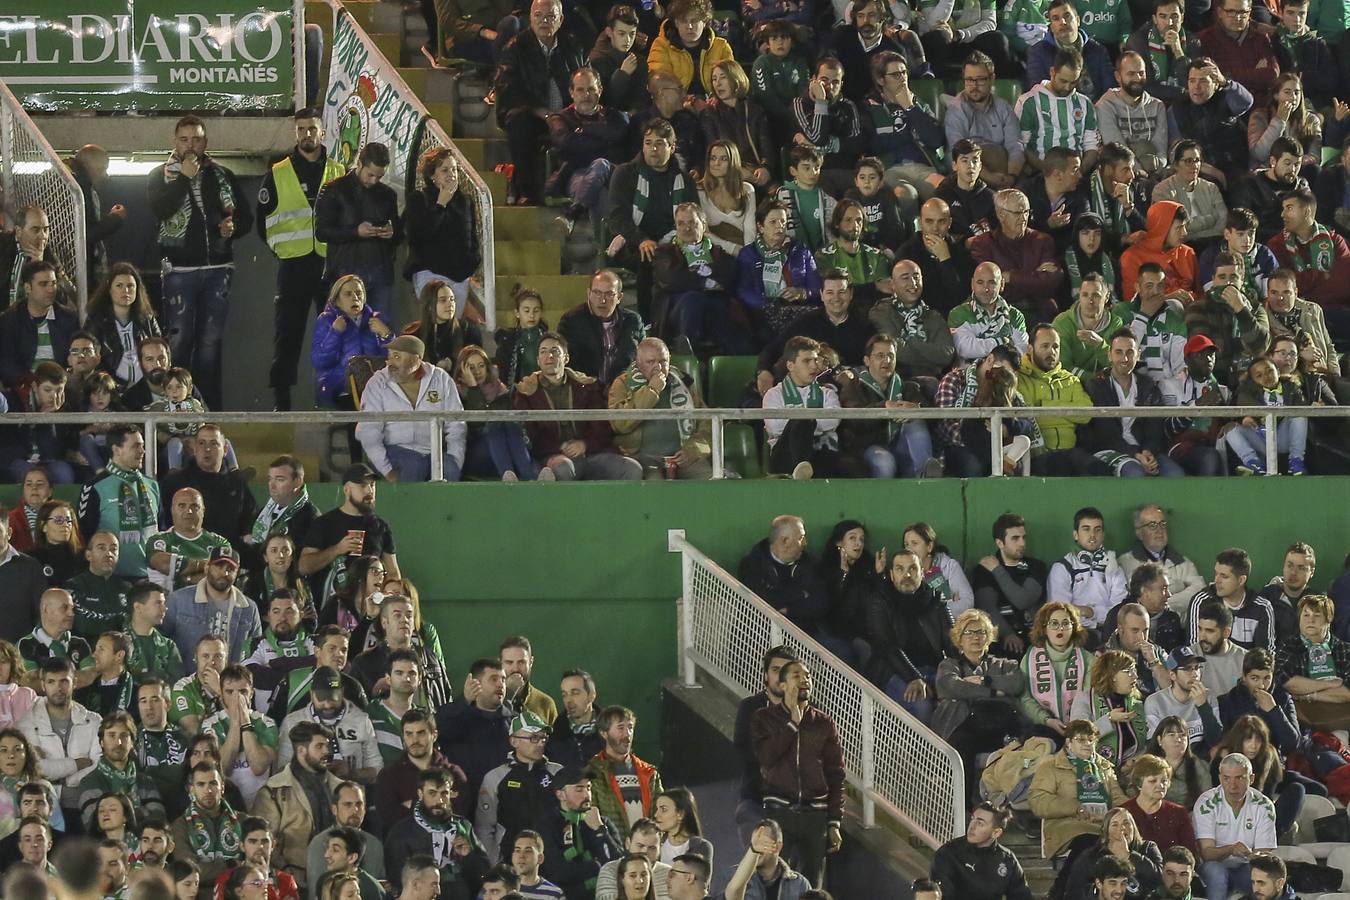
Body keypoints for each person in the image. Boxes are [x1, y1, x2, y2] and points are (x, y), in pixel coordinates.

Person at [146, 115, 250, 411]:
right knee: (179, 343)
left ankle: (210, 411)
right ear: (174, 142)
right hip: (179, 270)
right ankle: (176, 408)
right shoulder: (160, 175)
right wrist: (184, 178)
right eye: (184, 139)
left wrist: (234, 228)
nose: (191, 145)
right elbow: (161, 210)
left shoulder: (222, 174)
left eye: (197, 139)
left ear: (206, 142)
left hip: (218, 268)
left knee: (210, 345)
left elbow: (245, 217)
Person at [255, 109, 345, 412]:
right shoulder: (278, 170)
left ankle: (329, 399)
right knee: (287, 336)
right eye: (301, 129)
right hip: (293, 265)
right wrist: (283, 251)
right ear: (296, 134)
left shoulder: (338, 170)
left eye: (312, 129)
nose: (307, 134)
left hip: (329, 265)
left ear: (322, 132)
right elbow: (263, 220)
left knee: (333, 336)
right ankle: (282, 403)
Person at [750, 660, 842, 888]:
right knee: (774, 880)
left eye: (808, 676)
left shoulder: (824, 723)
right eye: (796, 675)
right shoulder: (763, 718)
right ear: (781, 685)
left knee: (813, 884)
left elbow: (835, 774)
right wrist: (792, 723)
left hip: (815, 816)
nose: (804, 680)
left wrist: (834, 822)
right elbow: (766, 757)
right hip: (779, 813)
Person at [513, 332, 642, 481]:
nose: (549, 356)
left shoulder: (587, 386)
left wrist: (584, 444)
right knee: (563, 468)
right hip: (553, 456)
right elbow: (529, 435)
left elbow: (602, 426)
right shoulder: (526, 392)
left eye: (555, 351)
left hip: (590, 454)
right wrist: (560, 447)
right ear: (538, 360)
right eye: (543, 352)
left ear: (566, 358)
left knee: (632, 469)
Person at [355, 335, 467, 484]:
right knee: (414, 465)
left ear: (416, 360)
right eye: (390, 356)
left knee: (450, 469)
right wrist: (387, 471)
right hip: (392, 451)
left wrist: (454, 459)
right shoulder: (377, 383)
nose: (390, 363)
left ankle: (444, 508)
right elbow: (368, 433)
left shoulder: (441, 379)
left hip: (433, 451)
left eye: (397, 357)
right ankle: (409, 507)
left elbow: (457, 425)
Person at [313, 143, 401, 320]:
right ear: (359, 164)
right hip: (345, 271)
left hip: (379, 271)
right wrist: (355, 232)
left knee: (380, 332)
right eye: (370, 174)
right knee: (345, 331)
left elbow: (399, 230)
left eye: (379, 176)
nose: (374, 180)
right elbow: (322, 232)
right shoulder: (334, 190)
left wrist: (392, 232)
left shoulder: (388, 195)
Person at [608, 337, 714, 480]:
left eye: (663, 361)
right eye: (651, 362)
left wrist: (694, 450)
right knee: (656, 488)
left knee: (711, 480)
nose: (658, 367)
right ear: (638, 363)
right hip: (642, 457)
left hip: (682, 455)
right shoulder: (622, 383)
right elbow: (620, 425)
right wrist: (652, 390)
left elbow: (707, 424)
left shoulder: (683, 383)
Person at [251, 721, 341, 887]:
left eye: (328, 746)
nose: (327, 752)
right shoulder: (274, 791)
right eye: (319, 746)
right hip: (294, 882)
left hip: (336, 881)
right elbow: (264, 844)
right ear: (301, 750)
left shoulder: (340, 788)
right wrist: (287, 876)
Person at [837, 335, 936, 479]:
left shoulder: (907, 386)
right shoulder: (854, 386)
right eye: (880, 356)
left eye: (891, 356)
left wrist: (916, 408)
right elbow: (854, 421)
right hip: (869, 447)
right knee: (885, 462)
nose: (887, 361)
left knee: (916, 419)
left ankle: (927, 475)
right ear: (867, 360)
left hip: (901, 447)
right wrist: (884, 408)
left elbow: (934, 419)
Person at [298, 464, 400, 602]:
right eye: (363, 486)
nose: (370, 490)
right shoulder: (324, 523)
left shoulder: (380, 527)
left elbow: (393, 574)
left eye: (372, 485)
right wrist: (337, 549)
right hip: (331, 608)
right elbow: (304, 566)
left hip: (368, 609)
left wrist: (382, 597)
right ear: (346, 490)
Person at [17, 657, 101, 823]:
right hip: (44, 805)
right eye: (51, 682)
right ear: (43, 685)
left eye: (64, 681)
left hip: (85, 799)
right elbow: (38, 768)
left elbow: (98, 765)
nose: (58, 688)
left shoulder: (93, 721)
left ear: (74, 682)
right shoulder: (27, 722)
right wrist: (76, 764)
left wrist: (68, 782)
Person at [1028, 718, 1127, 858]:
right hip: (1069, 825)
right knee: (1091, 843)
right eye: (1081, 740)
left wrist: (1126, 812)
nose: (1087, 744)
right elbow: (1038, 801)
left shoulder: (1104, 766)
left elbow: (1118, 798)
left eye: (1091, 739)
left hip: (1104, 823)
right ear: (1069, 742)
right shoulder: (1050, 766)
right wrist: (1074, 807)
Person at [403, 149, 482, 318]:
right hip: (431, 272)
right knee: (434, 322)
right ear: (432, 175)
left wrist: (472, 261)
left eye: (454, 169)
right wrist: (440, 205)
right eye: (444, 170)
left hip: (459, 274)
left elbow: (471, 237)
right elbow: (417, 237)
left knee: (452, 326)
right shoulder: (418, 199)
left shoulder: (465, 201)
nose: (451, 174)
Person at [475, 711, 561, 863]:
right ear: (514, 741)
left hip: (553, 863)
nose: (541, 743)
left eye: (543, 737)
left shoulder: (558, 773)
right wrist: (494, 863)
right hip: (510, 863)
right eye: (534, 738)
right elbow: (485, 827)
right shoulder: (495, 778)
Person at [968, 191, 1063, 325]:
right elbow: (990, 287)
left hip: (1040, 312)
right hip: (1002, 313)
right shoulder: (984, 244)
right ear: (1001, 214)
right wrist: (1034, 276)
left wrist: (1010, 277)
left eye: (1026, 212)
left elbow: (1051, 282)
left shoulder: (1042, 241)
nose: (1024, 218)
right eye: (1018, 213)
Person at [276, 667, 380, 787]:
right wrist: (313, 768)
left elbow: (377, 770)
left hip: (351, 799)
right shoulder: (292, 722)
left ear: (342, 692)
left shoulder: (361, 720)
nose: (327, 704)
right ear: (311, 694)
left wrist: (351, 773)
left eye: (333, 697)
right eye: (321, 698)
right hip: (306, 799)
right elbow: (281, 771)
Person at [1193, 753, 1277, 899]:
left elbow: (1264, 857)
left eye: (1239, 778)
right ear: (1219, 778)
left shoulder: (1264, 805)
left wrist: (1255, 855)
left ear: (1251, 779)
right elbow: (1206, 853)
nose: (1232, 785)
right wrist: (1231, 849)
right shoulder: (1206, 803)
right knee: (1216, 872)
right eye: (1226, 778)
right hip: (1212, 865)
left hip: (1246, 866)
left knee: (1263, 876)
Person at [161, 547, 260, 670]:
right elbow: (161, 642)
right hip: (187, 681)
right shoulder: (179, 599)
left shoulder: (249, 608)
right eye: (219, 566)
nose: (224, 573)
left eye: (230, 569)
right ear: (207, 567)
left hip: (230, 685)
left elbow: (257, 651)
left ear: (237, 573)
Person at [761, 337, 841, 480]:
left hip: (820, 453)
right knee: (803, 418)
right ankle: (801, 467)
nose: (814, 366)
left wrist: (801, 423)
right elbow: (774, 427)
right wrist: (807, 422)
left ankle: (803, 471)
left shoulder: (827, 393)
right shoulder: (773, 394)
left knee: (804, 420)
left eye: (815, 360)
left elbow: (833, 421)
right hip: (785, 456)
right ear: (790, 365)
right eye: (806, 361)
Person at [309, 274, 393, 411]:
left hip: (374, 386)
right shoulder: (327, 320)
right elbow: (319, 361)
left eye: (359, 293)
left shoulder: (378, 320)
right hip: (338, 387)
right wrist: (335, 333)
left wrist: (386, 335)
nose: (355, 297)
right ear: (337, 300)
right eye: (348, 294)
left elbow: (396, 359)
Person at [1168, 59, 1255, 185]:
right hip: (1197, 168)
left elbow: (1246, 102)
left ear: (1216, 84)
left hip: (1231, 167)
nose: (1196, 86)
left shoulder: (1226, 99)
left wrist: (1225, 82)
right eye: (1192, 81)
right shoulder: (1178, 108)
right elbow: (1175, 147)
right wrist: (1201, 166)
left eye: (1203, 81)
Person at [1268, 187, 1350, 319]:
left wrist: (1305, 282)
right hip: (1298, 313)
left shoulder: (1335, 241)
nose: (1282, 214)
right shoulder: (1276, 245)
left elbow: (1343, 285)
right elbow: (1284, 285)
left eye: (1289, 208)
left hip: (1338, 311)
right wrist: (1322, 274)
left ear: (1306, 212)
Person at [867, 260, 956, 380]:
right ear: (892, 284)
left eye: (916, 277)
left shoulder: (933, 316)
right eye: (905, 278)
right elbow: (896, 351)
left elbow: (946, 355)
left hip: (932, 380)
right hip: (896, 379)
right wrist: (932, 361)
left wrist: (910, 341)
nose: (913, 283)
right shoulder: (881, 312)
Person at [0, 260, 79, 392]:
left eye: (53, 283)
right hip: (24, 387)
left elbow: (73, 357)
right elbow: (6, 363)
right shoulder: (10, 320)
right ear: (27, 288)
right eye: (43, 284)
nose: (51, 289)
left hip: (61, 385)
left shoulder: (68, 318)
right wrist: (32, 384)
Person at [1275, 593, 1350, 729]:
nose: (1310, 620)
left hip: (1339, 723)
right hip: (1299, 724)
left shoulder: (1345, 650)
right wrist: (1331, 684)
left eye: (1317, 615)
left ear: (1329, 619)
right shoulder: (1288, 646)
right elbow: (1285, 681)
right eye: (1306, 615)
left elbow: (1348, 692)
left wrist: (1310, 695)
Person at [1117, 506, 1206, 619]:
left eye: (1162, 524)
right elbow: (1137, 598)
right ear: (1139, 532)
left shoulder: (1182, 562)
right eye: (1152, 525)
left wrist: (1165, 603)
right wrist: (1178, 586)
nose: (1159, 530)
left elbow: (1200, 591)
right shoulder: (1126, 562)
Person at [84, 263, 163, 389]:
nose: (125, 291)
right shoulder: (96, 320)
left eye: (130, 286)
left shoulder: (147, 318)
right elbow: (90, 356)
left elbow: (161, 349)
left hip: (146, 386)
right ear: (109, 289)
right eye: (119, 286)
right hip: (110, 388)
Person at [930, 804, 1031, 900]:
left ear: (996, 833)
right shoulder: (948, 853)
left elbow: (1022, 896)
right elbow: (943, 896)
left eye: (980, 823)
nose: (972, 827)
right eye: (972, 819)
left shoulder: (1007, 859)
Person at [170, 763, 241, 896]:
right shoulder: (180, 826)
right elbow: (189, 873)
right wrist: (230, 864)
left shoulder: (242, 821)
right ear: (191, 789)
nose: (208, 790)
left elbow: (254, 867)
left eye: (213, 784)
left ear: (222, 787)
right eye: (201, 784)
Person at [1061, 807, 1164, 900]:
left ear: (1134, 827)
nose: (1122, 828)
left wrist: (1128, 855)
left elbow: (1161, 879)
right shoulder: (1091, 856)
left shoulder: (1148, 848)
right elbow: (1074, 892)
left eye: (1126, 823)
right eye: (1115, 824)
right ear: (1106, 832)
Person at [305, 782, 387, 899]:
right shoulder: (319, 843)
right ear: (334, 809)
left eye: (359, 804)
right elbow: (316, 894)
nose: (355, 810)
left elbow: (381, 885)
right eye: (348, 805)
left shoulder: (375, 845)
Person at [1193, 0, 1281, 106]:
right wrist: (1254, 73)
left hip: (1260, 105)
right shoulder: (1204, 39)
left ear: (1249, 13)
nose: (1238, 17)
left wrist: (1226, 77)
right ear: (1220, 12)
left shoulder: (1260, 37)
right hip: (1224, 106)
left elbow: (1272, 74)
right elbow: (1210, 80)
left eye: (1243, 12)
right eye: (1231, 11)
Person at [1189, 550, 1276, 654]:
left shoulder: (1262, 608)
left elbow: (1266, 656)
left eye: (1224, 576)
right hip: (1206, 668)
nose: (1217, 580)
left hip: (1247, 669)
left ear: (1241, 580)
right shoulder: (1201, 601)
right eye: (1216, 573)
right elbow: (1194, 651)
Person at [1145, 648, 1222, 757]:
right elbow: (1154, 747)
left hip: (1200, 762)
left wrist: (1203, 706)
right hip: (1168, 762)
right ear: (1173, 675)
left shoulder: (1207, 696)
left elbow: (1215, 740)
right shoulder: (1155, 702)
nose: (1195, 674)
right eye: (1187, 669)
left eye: (1197, 668)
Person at [1122, 754, 1200, 858]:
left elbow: (1189, 853)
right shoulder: (1124, 812)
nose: (1161, 785)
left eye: (1164, 781)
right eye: (1153, 781)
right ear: (1139, 783)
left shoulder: (1178, 812)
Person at [1120, 203, 1197, 307]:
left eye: (1184, 226)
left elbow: (1200, 292)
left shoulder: (1187, 253)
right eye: (1179, 228)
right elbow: (1131, 302)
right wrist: (1168, 298)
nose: (1184, 233)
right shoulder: (1132, 257)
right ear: (1162, 228)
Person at [722, 819, 812, 900]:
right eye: (753, 843)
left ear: (778, 846)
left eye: (763, 842)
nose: (757, 847)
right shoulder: (731, 877)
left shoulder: (800, 883)